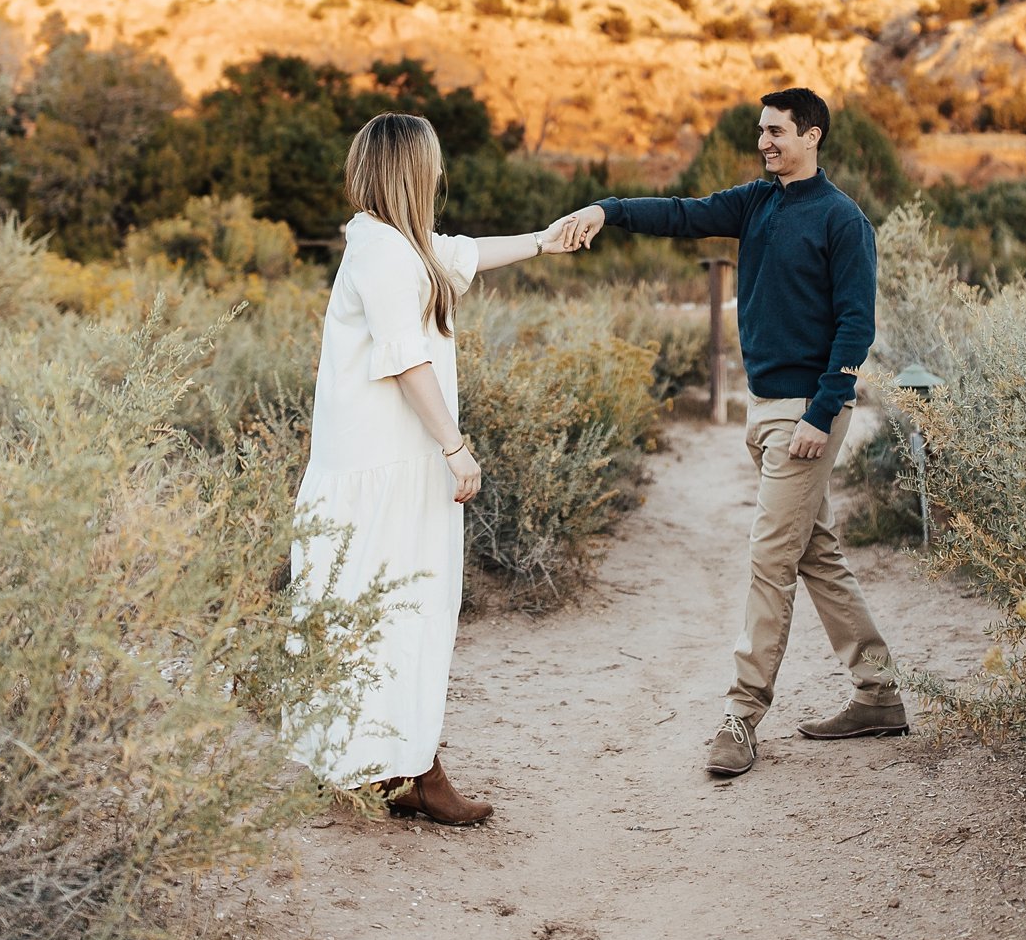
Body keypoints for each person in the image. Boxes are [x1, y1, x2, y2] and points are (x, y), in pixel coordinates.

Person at [556, 86, 906, 777]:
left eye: (776, 131)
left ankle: (742, 715)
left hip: (805, 414)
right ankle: (878, 693)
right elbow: (681, 214)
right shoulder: (755, 202)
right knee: (815, 552)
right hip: (763, 405)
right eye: (761, 131)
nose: (764, 142)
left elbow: (855, 325)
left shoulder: (842, 220)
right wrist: (607, 209)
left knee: (769, 560)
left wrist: (822, 412)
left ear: (811, 135)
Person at [288, 109, 577, 823]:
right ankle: (401, 769)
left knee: (386, 613)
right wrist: (455, 446)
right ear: (412, 171)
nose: (441, 172)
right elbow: (405, 359)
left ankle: (389, 765)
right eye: (434, 163)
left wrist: (543, 240)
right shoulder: (383, 252)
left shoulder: (394, 244)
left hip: (388, 465)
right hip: (386, 468)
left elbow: (463, 252)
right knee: (398, 613)